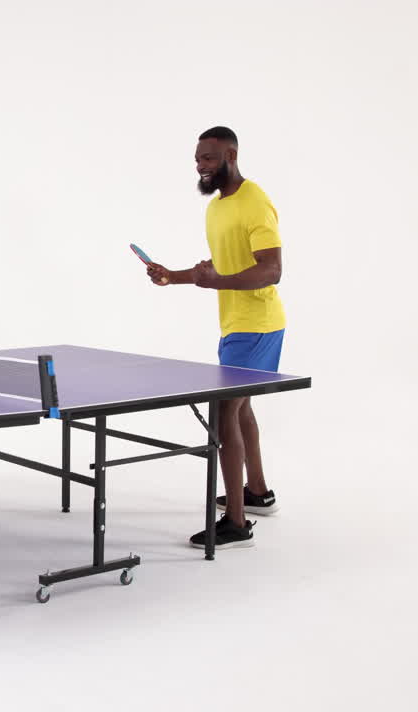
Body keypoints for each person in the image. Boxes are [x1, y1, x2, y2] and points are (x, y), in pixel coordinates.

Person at [145, 125, 284, 550]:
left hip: (256, 325)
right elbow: (216, 270)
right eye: (197, 160)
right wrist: (175, 276)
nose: (201, 167)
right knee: (240, 411)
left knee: (225, 412)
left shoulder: (255, 202)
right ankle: (257, 492)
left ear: (230, 154)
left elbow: (271, 269)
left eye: (208, 158)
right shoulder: (217, 207)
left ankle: (237, 523)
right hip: (235, 326)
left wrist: (215, 280)